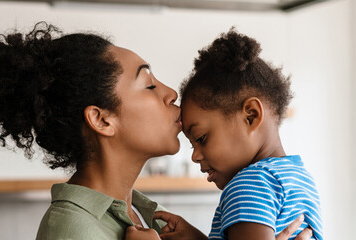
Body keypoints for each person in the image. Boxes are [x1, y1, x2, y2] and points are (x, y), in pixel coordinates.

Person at [0, 22, 312, 240]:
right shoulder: (70, 230)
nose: (171, 93)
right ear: (102, 120)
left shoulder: (147, 216)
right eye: (148, 84)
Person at [134, 28, 323, 240]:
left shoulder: (248, 185)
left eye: (201, 138)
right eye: (192, 145)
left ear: (251, 116)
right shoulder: (299, 178)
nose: (195, 156)